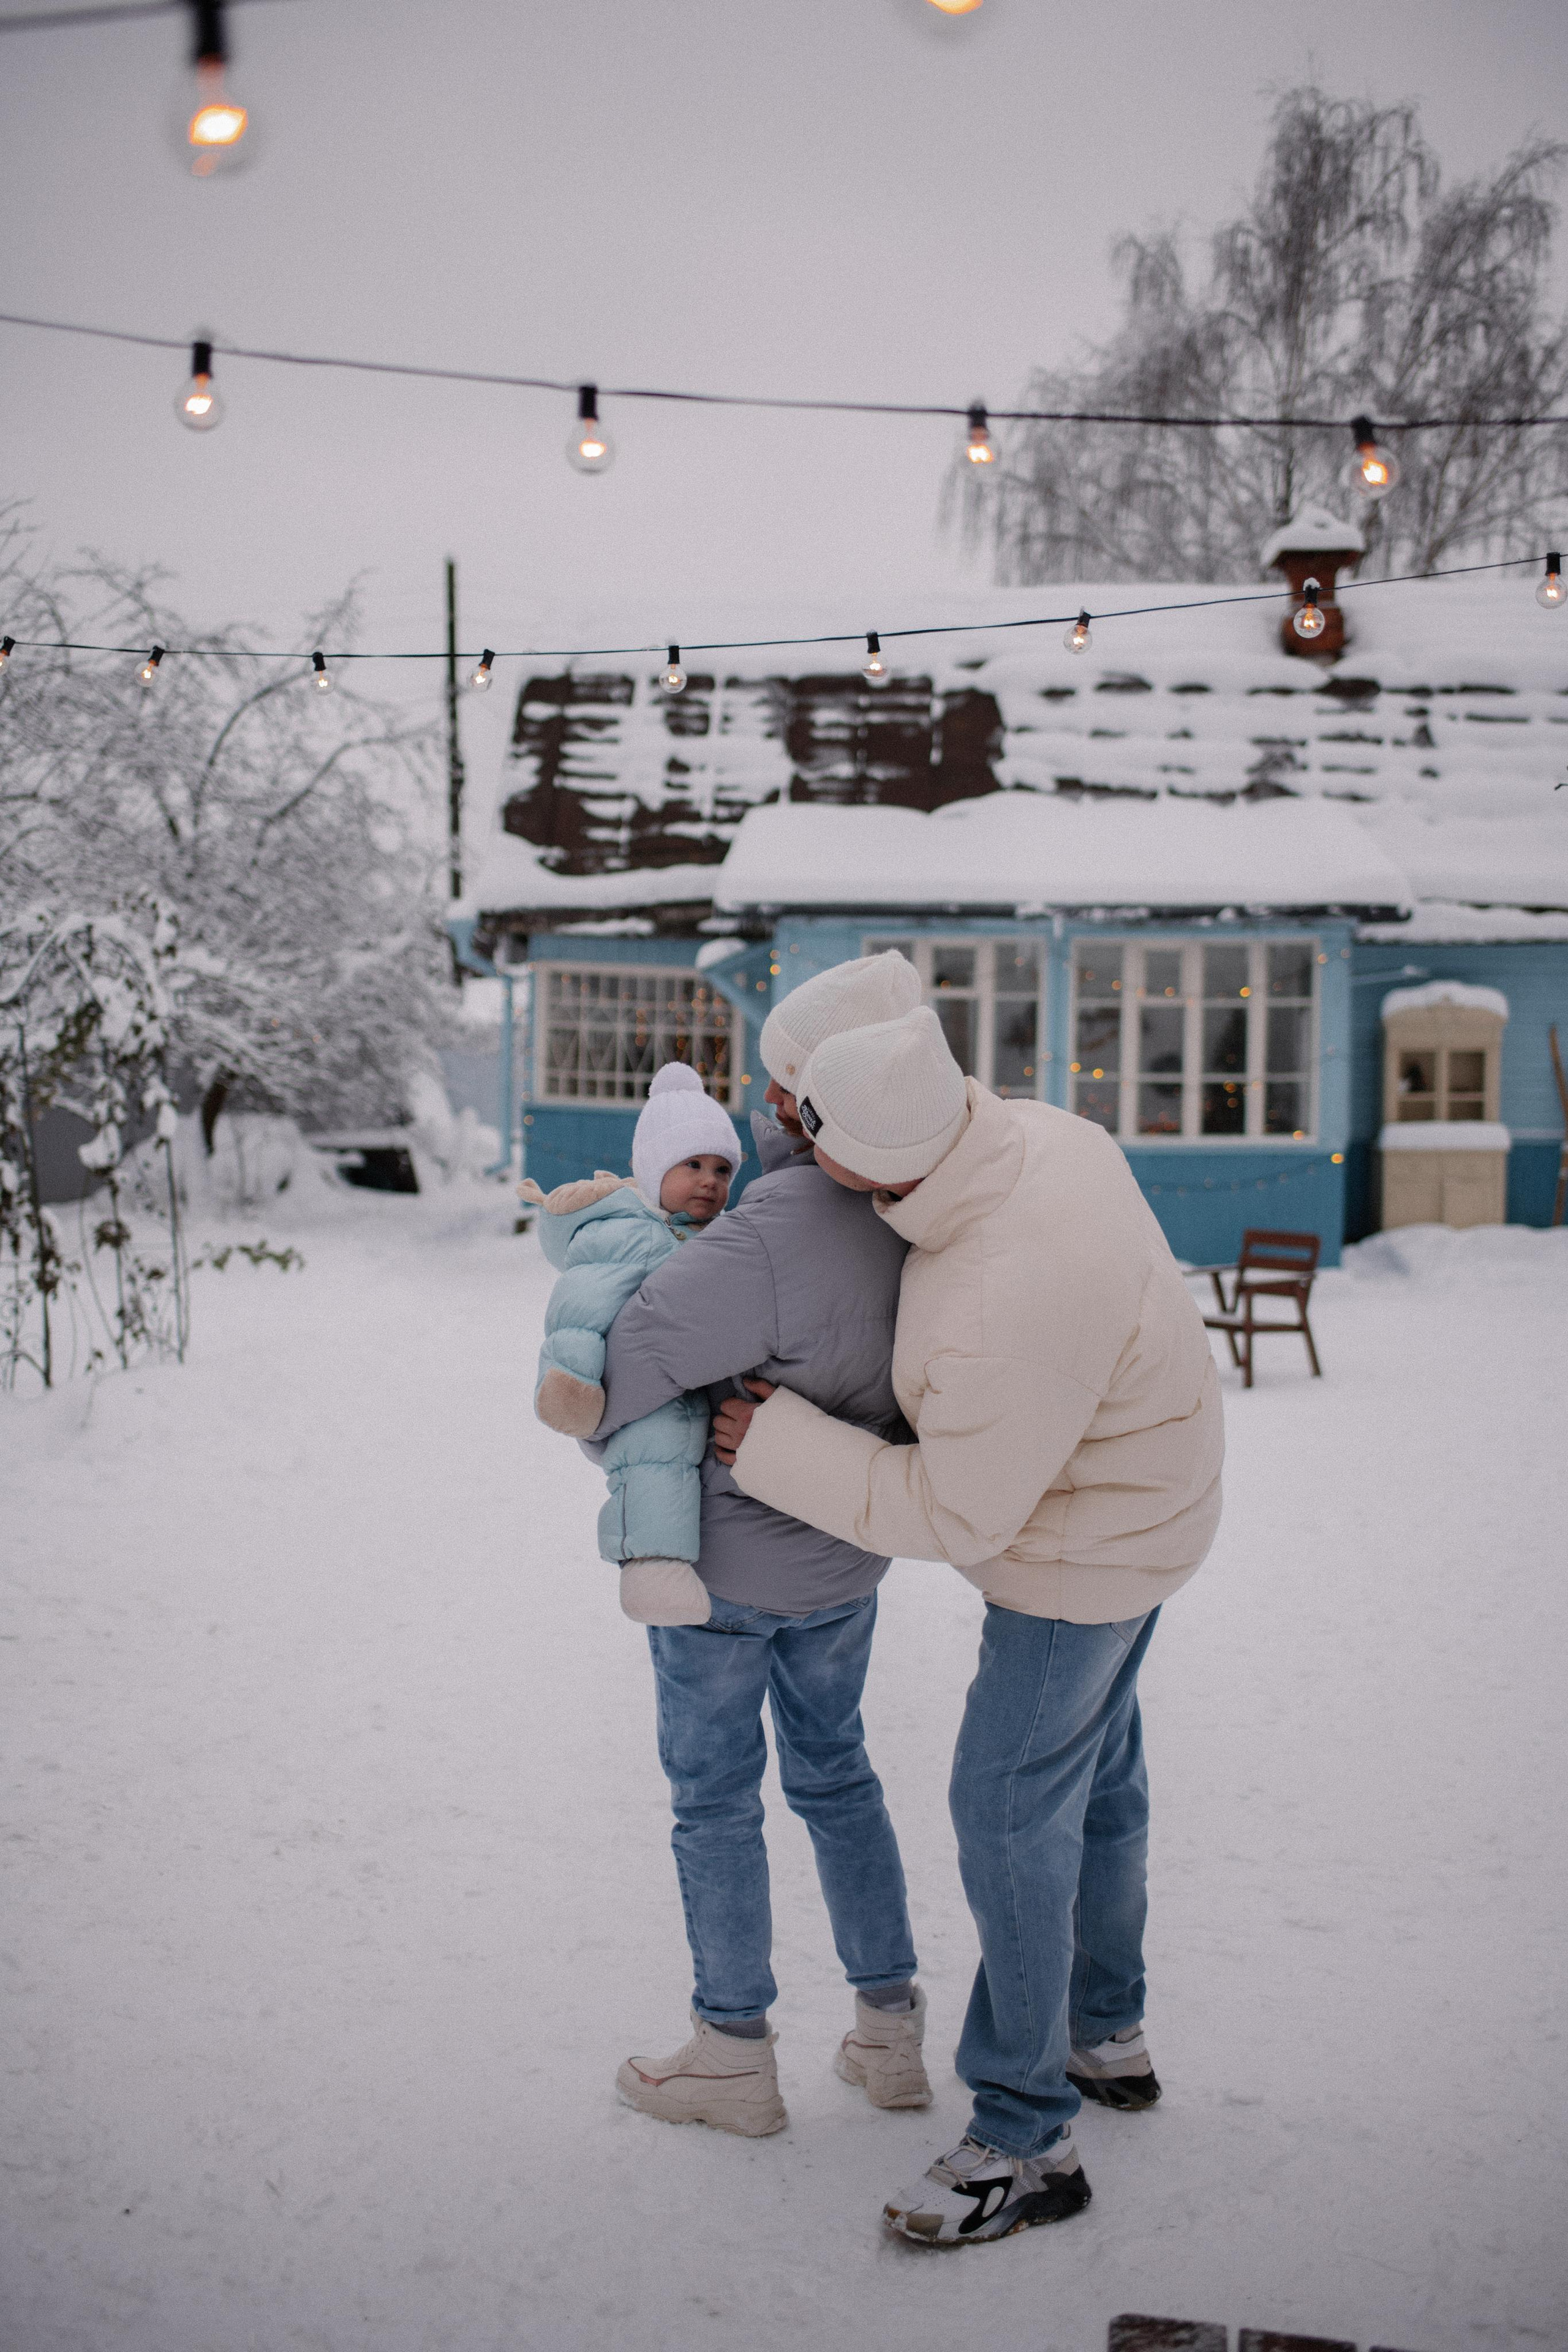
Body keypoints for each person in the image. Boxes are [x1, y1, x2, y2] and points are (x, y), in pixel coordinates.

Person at [714, 1003, 1224, 2242]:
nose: (783, 1132)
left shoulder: (1003, 1283)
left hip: (1080, 1549)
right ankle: (1102, 2030)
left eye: (804, 1124)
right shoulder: (1029, 1134)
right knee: (1092, 1786)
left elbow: (956, 1510)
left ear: (874, 1160)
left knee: (1002, 1809)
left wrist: (774, 1443)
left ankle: (1024, 2130)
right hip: (1152, 1498)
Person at [590, 954, 934, 2137]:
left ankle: (733, 2050)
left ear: (793, 1101)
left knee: (717, 1802)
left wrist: (660, 1457)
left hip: (725, 1581)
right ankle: (890, 2032)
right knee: (840, 1779)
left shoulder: (762, 1237)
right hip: (847, 1562)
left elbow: (619, 1374)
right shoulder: (915, 1219)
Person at [522, 1060, 745, 1627]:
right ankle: (652, 1567)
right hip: (635, 1394)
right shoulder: (625, 1231)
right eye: (692, 1164)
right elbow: (580, 1308)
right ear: (651, 1168)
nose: (710, 1180)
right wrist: (571, 1379)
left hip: (703, 1379)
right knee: (658, 1451)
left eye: (722, 1168)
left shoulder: (720, 1236)